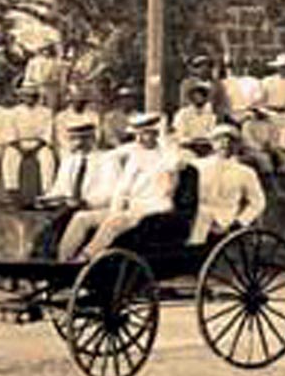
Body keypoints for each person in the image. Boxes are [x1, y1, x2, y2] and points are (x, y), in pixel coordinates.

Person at [58, 112, 178, 262]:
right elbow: (108, 158)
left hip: (152, 209)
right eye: (136, 135)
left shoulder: (167, 156)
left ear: (156, 134)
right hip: (129, 208)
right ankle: (62, 261)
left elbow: (169, 181)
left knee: (114, 221)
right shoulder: (135, 152)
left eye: (144, 134)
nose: (139, 139)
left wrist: (166, 142)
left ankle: (86, 257)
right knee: (81, 217)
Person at [29, 118, 119, 259]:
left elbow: (111, 192)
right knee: (43, 220)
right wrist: (45, 199)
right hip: (69, 207)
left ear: (92, 138)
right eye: (74, 139)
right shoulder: (69, 160)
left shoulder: (107, 159)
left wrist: (86, 202)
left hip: (95, 208)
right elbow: (60, 188)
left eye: (83, 139)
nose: (78, 143)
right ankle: (39, 258)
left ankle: (62, 260)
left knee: (72, 218)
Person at [188, 121, 267, 244]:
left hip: (225, 221)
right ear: (212, 144)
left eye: (231, 141)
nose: (225, 143)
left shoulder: (245, 172)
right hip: (196, 217)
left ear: (237, 146)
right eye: (219, 140)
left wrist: (240, 222)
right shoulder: (197, 166)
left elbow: (258, 202)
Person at [0, 85, 58, 207]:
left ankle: (47, 192)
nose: (30, 98)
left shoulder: (46, 112)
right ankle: (13, 192)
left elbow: (47, 134)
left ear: (37, 97)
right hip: (18, 144)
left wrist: (36, 147)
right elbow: (10, 134)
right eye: (26, 96)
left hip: (39, 144)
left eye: (33, 96)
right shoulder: (14, 112)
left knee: (48, 158)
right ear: (22, 97)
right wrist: (20, 148)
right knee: (9, 157)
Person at [170, 79, 217, 156]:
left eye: (202, 95)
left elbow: (213, 132)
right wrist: (191, 141)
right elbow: (180, 134)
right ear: (191, 97)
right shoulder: (183, 114)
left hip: (206, 147)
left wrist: (204, 140)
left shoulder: (211, 114)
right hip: (187, 148)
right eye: (196, 94)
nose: (199, 97)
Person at [54, 84, 101, 156]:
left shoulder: (93, 115)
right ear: (71, 100)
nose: (79, 102)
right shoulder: (62, 116)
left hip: (89, 147)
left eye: (82, 100)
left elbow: (97, 133)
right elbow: (61, 137)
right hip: (70, 148)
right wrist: (73, 146)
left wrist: (90, 144)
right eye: (76, 99)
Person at [21, 40, 67, 111]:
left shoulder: (59, 64)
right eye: (44, 49)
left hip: (51, 89)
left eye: (48, 49)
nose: (46, 52)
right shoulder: (33, 62)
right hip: (36, 88)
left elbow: (62, 81)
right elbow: (27, 79)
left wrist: (61, 92)